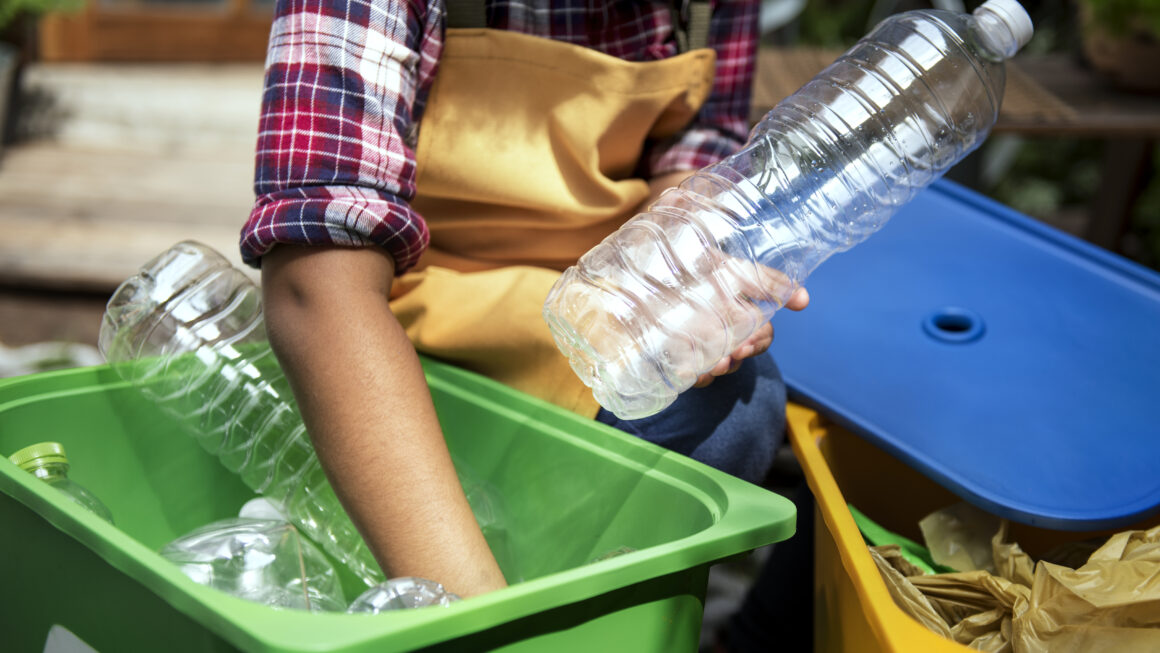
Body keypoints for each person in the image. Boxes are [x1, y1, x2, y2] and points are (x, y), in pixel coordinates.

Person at [241, 0, 808, 599]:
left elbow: (694, 148)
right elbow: (316, 284)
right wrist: (475, 614)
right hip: (407, 308)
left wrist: (677, 270)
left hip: (589, 297)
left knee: (735, 406)